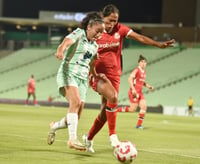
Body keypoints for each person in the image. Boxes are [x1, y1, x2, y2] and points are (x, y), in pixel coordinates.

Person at [83, 4, 175, 153]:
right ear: (102, 17)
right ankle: (113, 136)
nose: (112, 24)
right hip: (97, 74)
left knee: (105, 113)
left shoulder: (120, 29)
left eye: (115, 21)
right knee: (113, 97)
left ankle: (89, 138)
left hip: (115, 76)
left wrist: (158, 45)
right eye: (109, 21)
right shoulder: (96, 30)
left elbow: (140, 37)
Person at [47, 12, 105, 151]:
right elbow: (66, 42)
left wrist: (96, 75)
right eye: (97, 31)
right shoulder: (79, 33)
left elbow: (91, 63)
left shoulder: (95, 46)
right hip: (68, 73)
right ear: (89, 27)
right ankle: (72, 139)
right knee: (76, 102)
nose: (99, 35)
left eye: (102, 32)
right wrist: (60, 50)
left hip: (82, 79)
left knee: (76, 116)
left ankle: (54, 127)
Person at [117, 55, 153, 129]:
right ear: (139, 63)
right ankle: (115, 110)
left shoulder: (144, 72)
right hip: (134, 92)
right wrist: (133, 89)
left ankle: (139, 125)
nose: (143, 63)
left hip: (140, 93)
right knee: (132, 109)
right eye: (142, 62)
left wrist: (149, 86)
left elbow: (142, 82)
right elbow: (130, 79)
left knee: (144, 106)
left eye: (145, 62)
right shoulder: (136, 70)